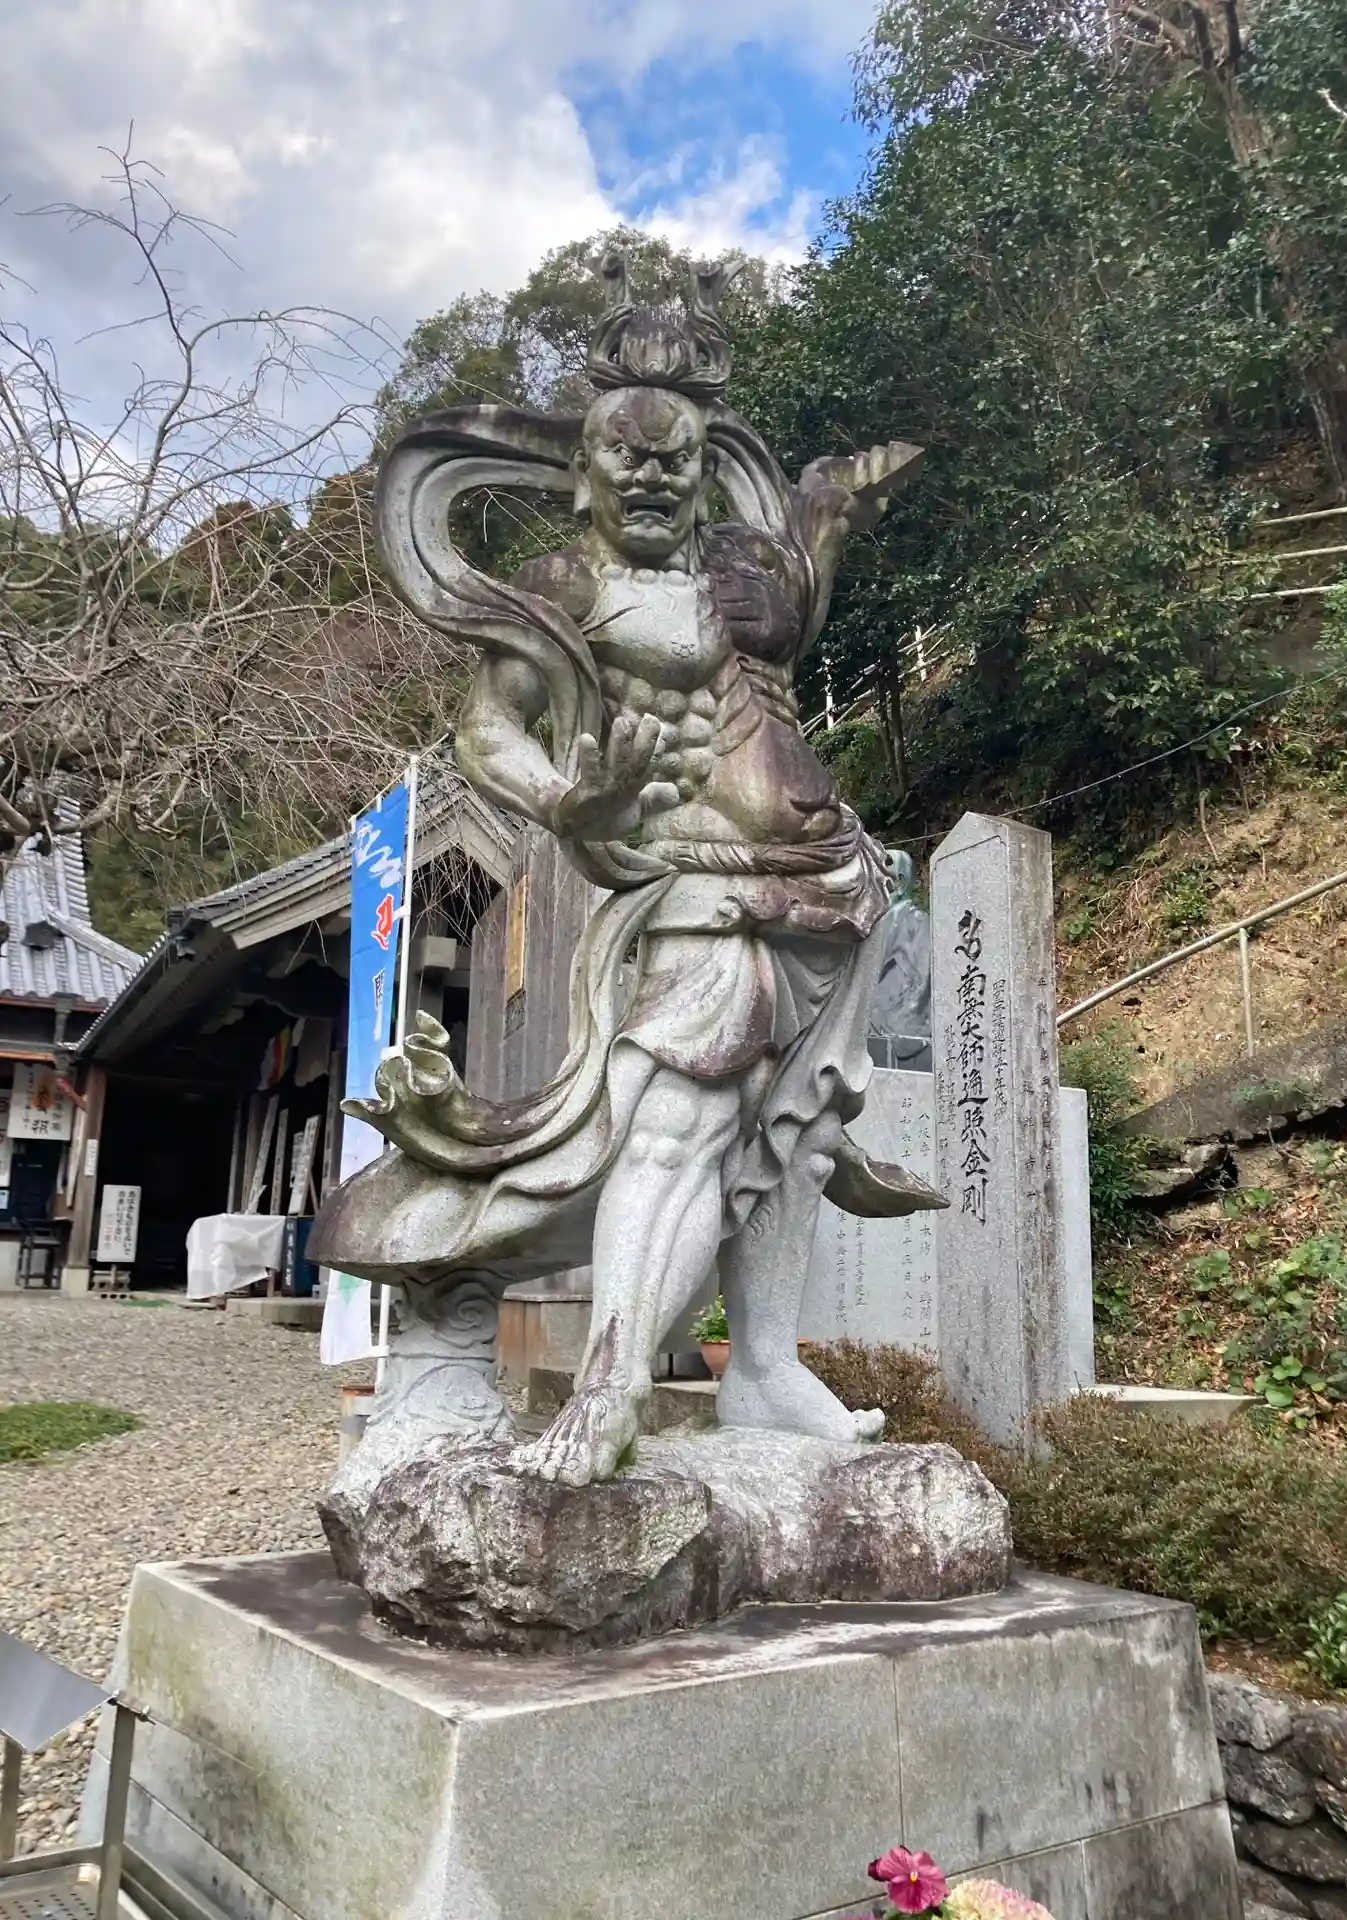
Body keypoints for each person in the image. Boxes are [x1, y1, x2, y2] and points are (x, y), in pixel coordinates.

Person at [311, 258, 942, 1487]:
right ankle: (609, 1389)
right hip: (691, 880)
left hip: (827, 879)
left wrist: (823, 508)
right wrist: (565, 801)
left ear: (706, 466)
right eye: (627, 456)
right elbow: (486, 731)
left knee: (799, 1130)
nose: (652, 476)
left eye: (678, 458)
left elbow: (794, 622)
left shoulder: (746, 566)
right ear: (582, 469)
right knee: (677, 1123)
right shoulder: (564, 589)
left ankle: (764, 1364)